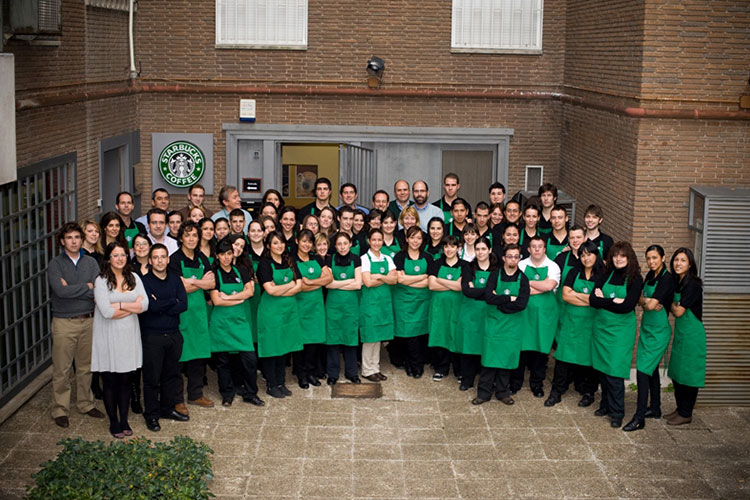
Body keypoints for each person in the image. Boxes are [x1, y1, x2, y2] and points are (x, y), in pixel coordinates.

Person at [47, 222, 106, 428]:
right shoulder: (55, 264)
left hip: (89, 320)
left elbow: (98, 290)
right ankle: (60, 409)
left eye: (77, 237)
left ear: (82, 240)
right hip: (64, 322)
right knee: (62, 369)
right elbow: (60, 292)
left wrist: (74, 288)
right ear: (63, 241)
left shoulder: (91, 263)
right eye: (69, 238)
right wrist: (85, 287)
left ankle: (85, 404)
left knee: (85, 367)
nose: (74, 241)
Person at [92, 241, 149, 438]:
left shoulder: (134, 277)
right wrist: (131, 306)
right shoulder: (101, 281)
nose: (120, 259)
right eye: (115, 255)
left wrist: (120, 305)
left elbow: (145, 305)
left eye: (123, 255)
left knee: (125, 380)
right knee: (110, 381)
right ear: (108, 259)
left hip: (128, 336)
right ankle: (113, 422)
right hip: (107, 336)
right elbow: (106, 312)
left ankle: (124, 420)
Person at [590, 242, 644, 428]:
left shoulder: (635, 279)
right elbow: (592, 300)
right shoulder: (605, 274)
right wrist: (613, 301)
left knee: (615, 372)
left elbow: (627, 306)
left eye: (622, 256)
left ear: (629, 258)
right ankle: (605, 405)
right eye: (615, 255)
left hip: (620, 332)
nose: (618, 259)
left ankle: (617, 413)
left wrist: (604, 300)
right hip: (601, 329)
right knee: (602, 371)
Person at [622, 245, 674, 431]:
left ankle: (639, 417)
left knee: (643, 371)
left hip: (659, 331)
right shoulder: (651, 276)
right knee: (651, 370)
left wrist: (646, 302)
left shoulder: (667, 279)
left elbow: (650, 305)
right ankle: (655, 408)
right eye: (649, 258)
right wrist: (646, 301)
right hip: (646, 328)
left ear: (663, 258)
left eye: (655, 258)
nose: (651, 262)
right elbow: (640, 299)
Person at [545, 240, 602, 408]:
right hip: (571, 323)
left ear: (596, 255)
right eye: (582, 255)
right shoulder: (573, 272)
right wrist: (590, 299)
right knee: (563, 358)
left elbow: (600, 301)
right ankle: (556, 391)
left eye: (589, 254)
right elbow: (565, 295)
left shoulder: (602, 275)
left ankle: (588, 392)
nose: (586, 258)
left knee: (588, 359)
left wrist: (577, 295)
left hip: (591, 326)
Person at [138, 243, 189, 432]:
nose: (159, 261)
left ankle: (167, 409)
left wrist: (161, 303)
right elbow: (151, 307)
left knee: (172, 375)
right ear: (150, 261)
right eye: (155, 257)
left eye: (163, 257)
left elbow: (183, 304)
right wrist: (171, 301)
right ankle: (151, 415)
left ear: (168, 259)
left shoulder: (175, 278)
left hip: (174, 334)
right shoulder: (144, 281)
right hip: (152, 336)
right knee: (152, 378)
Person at [209, 239, 265, 407]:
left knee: (250, 360)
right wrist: (238, 299)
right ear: (217, 256)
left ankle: (250, 393)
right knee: (223, 362)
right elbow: (216, 301)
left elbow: (250, 292)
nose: (226, 258)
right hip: (221, 324)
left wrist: (229, 297)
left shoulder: (241, 270)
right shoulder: (214, 273)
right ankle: (227, 394)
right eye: (222, 254)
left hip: (240, 323)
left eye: (229, 254)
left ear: (233, 254)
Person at [168, 221, 216, 413]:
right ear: (181, 238)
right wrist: (200, 281)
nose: (191, 239)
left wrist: (190, 282)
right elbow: (177, 288)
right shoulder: (174, 260)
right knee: (178, 360)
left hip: (199, 316)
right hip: (181, 316)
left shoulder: (201, 258)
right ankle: (177, 399)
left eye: (195, 235)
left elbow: (211, 283)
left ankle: (196, 394)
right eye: (187, 235)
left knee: (198, 357)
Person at [473, 244, 530, 405]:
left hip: (512, 327)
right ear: (504, 258)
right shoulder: (494, 275)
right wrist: (508, 298)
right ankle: (483, 393)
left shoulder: (523, 279)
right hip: (494, 325)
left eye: (516, 256)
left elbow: (521, 304)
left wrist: (499, 303)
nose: (513, 259)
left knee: (506, 361)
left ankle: (503, 392)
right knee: (489, 360)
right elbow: (488, 298)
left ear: (519, 259)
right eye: (509, 256)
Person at [256, 231, 305, 398]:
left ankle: (281, 382)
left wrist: (280, 289)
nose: (279, 246)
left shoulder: (289, 261)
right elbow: (270, 290)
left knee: (284, 346)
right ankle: (271, 384)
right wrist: (289, 285)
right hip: (271, 312)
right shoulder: (264, 264)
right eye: (275, 243)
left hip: (288, 312)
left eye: (281, 242)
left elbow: (300, 285)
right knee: (272, 348)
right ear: (268, 246)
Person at [512, 236, 561, 398]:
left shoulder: (553, 266)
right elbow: (517, 288)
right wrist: (540, 285)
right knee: (521, 349)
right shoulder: (521, 265)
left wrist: (528, 283)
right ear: (529, 249)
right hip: (524, 314)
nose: (537, 249)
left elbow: (549, 286)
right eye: (534, 246)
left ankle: (537, 384)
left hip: (545, 316)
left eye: (540, 246)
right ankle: (516, 382)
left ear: (545, 249)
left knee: (541, 350)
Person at [664, 247, 706, 426]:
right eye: (676, 260)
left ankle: (686, 413)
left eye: (683, 260)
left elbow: (679, 311)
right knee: (677, 372)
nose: (678, 263)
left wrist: (670, 303)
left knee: (688, 374)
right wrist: (675, 304)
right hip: (681, 334)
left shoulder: (693, 285)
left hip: (693, 336)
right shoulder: (678, 282)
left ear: (690, 264)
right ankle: (680, 408)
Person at [456, 236, 496, 391]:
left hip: (489, 313)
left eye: (483, 249)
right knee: (469, 346)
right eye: (477, 249)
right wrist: (488, 292)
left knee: (487, 345)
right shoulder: (468, 267)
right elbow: (466, 291)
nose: (480, 252)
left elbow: (497, 291)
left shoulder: (497, 269)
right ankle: (467, 380)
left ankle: (486, 381)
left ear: (490, 250)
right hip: (470, 314)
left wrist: (477, 290)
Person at [293, 230, 332, 387]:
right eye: (304, 241)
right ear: (297, 241)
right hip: (300, 307)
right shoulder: (292, 260)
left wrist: (310, 282)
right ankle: (301, 374)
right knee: (300, 342)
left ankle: (311, 372)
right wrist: (318, 283)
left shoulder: (316, 258)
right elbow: (299, 286)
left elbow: (329, 277)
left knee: (314, 342)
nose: (307, 245)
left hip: (316, 307)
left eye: (309, 242)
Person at [393, 226, 432, 378]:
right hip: (404, 302)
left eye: (419, 238)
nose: (415, 241)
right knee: (408, 335)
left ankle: (416, 364)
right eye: (412, 237)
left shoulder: (427, 257)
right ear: (407, 239)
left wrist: (409, 280)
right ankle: (413, 365)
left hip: (423, 302)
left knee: (420, 334)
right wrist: (421, 277)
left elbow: (430, 281)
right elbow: (399, 279)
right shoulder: (400, 257)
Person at [324, 232, 363, 385]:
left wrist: (337, 284)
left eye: (345, 243)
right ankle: (333, 374)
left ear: (350, 244)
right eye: (339, 244)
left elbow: (358, 284)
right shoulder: (329, 259)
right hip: (333, 306)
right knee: (332, 340)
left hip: (351, 307)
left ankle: (352, 373)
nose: (342, 247)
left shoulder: (356, 259)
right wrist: (349, 281)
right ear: (335, 246)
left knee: (350, 339)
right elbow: (328, 284)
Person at [360, 228, 397, 382]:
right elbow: (368, 282)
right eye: (374, 240)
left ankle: (375, 368)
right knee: (370, 337)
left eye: (379, 240)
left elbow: (394, 279)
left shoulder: (387, 258)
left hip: (383, 304)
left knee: (379, 337)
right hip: (370, 304)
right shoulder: (364, 259)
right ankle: (367, 370)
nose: (376, 243)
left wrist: (380, 276)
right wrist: (386, 278)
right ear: (369, 241)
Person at [427, 235, 464, 381]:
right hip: (439, 308)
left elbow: (460, 287)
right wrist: (452, 284)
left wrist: (440, 280)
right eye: (446, 246)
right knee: (440, 335)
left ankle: (459, 370)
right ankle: (440, 368)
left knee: (455, 335)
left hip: (457, 308)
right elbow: (432, 285)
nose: (449, 249)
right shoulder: (436, 263)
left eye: (452, 246)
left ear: (458, 248)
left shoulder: (465, 265)